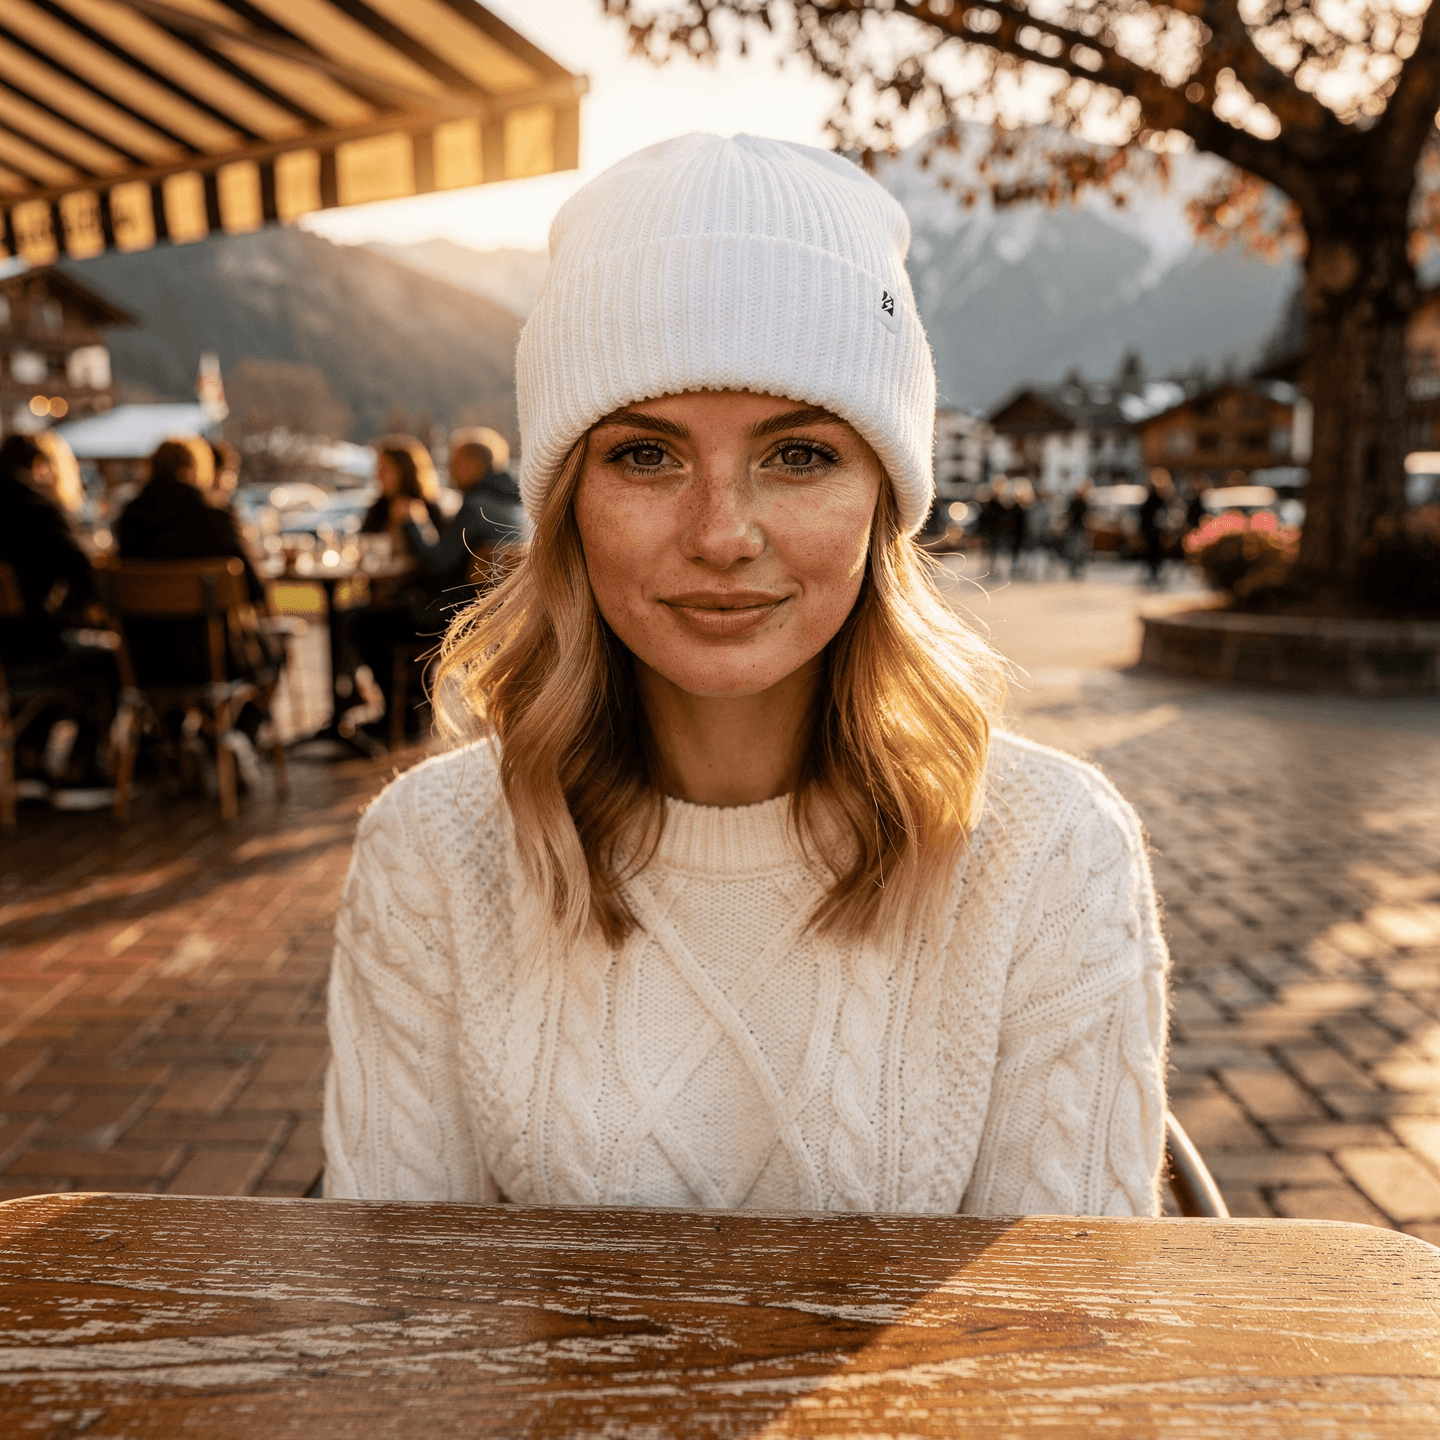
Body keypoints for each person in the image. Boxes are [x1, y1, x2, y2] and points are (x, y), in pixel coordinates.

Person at [324, 134, 1169, 1217]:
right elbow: (399, 1331)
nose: (723, 534)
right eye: (645, 455)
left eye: (800, 454)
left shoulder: (1052, 855)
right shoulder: (431, 854)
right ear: (568, 504)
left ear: (883, 500)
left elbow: (1056, 1347)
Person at [116, 437, 279, 767]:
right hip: (213, 657)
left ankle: (175, 741)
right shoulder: (215, 516)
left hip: (143, 659)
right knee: (274, 650)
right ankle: (237, 737)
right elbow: (255, 590)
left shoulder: (127, 519)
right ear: (195, 470)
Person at [0, 434, 119, 806]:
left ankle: (29, 762)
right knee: (106, 661)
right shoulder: (37, 506)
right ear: (41, 467)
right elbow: (83, 573)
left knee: (59, 655)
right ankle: (82, 769)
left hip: (5, 654)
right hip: (30, 647)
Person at [401, 426, 525, 631]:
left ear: (473, 465)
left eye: (454, 462)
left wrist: (412, 523)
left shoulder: (476, 507)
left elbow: (437, 565)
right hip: (509, 612)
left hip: (466, 614)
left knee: (366, 620)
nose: (449, 470)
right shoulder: (517, 504)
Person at [1138, 468, 1176, 587]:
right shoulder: (1155, 499)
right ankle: (1153, 575)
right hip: (1153, 532)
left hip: (1156, 532)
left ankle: (1154, 575)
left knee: (1155, 555)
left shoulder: (1161, 499)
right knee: (1153, 555)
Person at [1065, 479, 1093, 578]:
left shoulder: (1082, 502)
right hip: (1076, 529)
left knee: (1079, 550)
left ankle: (1076, 568)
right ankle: (1074, 568)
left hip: (1078, 529)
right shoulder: (1077, 502)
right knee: (1075, 550)